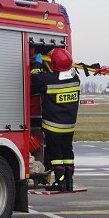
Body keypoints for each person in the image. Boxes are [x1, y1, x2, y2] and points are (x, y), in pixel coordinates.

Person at [29, 47, 79, 191]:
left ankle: (60, 183)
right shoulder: (75, 79)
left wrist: (37, 63)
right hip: (69, 126)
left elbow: (35, 78)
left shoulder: (49, 80)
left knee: (56, 155)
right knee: (68, 153)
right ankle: (69, 183)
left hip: (53, 126)